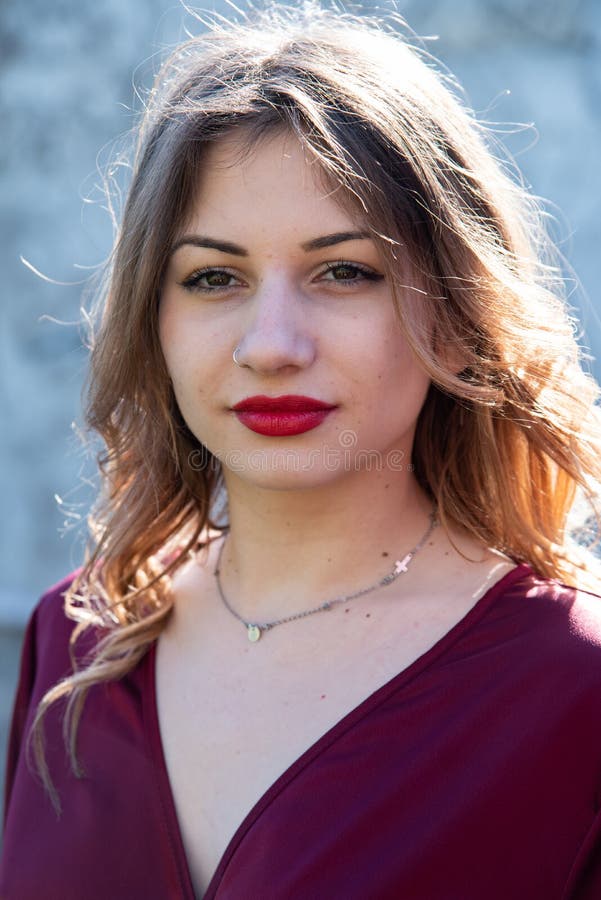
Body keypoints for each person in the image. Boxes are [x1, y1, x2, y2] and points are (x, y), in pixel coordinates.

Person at [2, 4, 601, 898]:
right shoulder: (77, 639)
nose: (270, 343)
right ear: (151, 319)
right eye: (213, 277)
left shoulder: (572, 682)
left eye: (343, 271)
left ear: (457, 308)